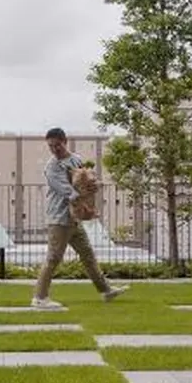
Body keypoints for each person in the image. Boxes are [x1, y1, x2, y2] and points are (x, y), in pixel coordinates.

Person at [32, 127, 129, 309]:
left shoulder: (75, 159)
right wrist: (86, 199)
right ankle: (39, 298)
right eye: (51, 146)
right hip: (59, 218)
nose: (54, 149)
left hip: (74, 219)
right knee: (53, 258)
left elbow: (84, 182)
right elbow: (68, 192)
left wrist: (93, 187)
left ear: (65, 141)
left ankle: (106, 291)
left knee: (88, 255)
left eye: (57, 145)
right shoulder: (52, 167)